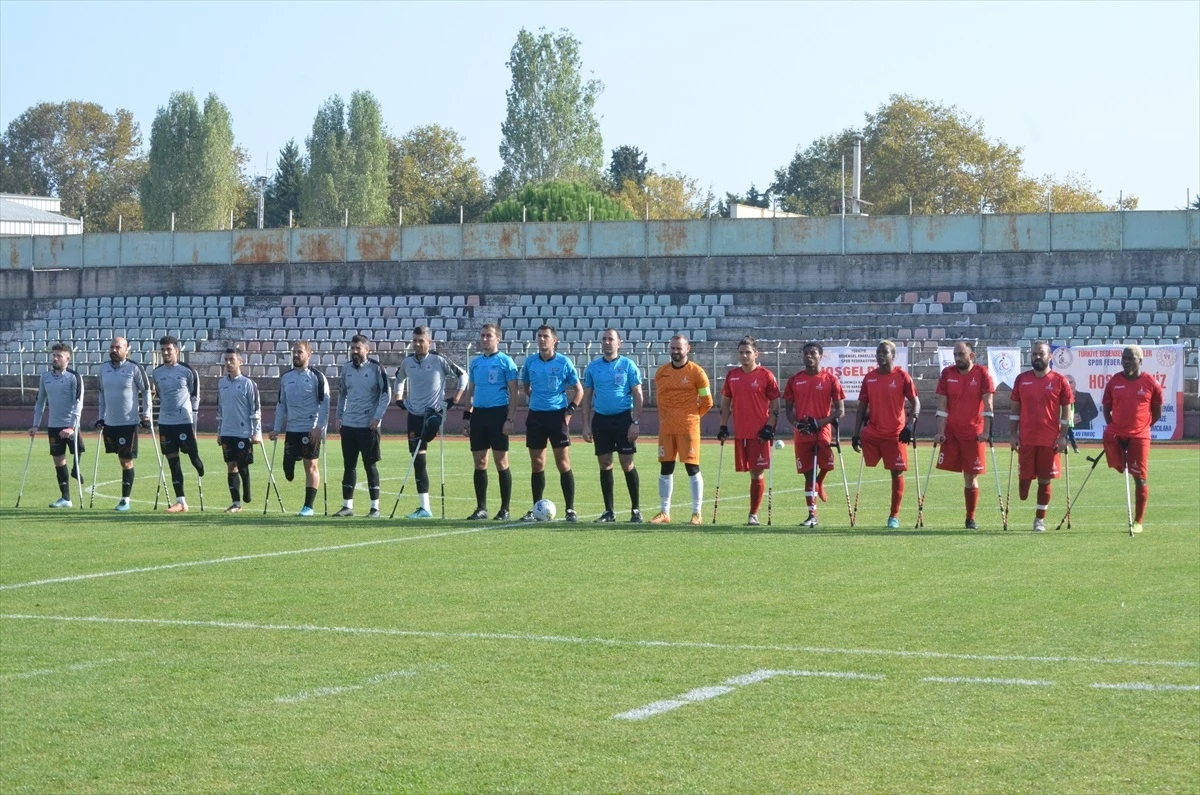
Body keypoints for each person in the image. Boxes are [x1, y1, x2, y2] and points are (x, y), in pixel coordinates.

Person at [393, 325, 465, 519]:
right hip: (414, 414)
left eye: (421, 341)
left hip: (433, 412)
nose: (417, 344)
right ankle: (425, 507)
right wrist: (399, 398)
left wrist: (456, 398)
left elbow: (462, 375)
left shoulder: (438, 360)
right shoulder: (408, 362)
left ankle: (431, 430)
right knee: (418, 459)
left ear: (429, 342)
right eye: (414, 341)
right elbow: (398, 378)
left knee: (430, 428)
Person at [852, 340, 920, 529]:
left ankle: (894, 516)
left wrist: (910, 424)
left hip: (895, 433)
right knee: (866, 440)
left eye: (885, 352)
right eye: (878, 352)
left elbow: (916, 403)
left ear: (893, 356)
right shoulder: (869, 378)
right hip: (873, 432)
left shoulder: (902, 376)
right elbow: (862, 407)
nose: (880, 355)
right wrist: (856, 434)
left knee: (896, 472)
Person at [519, 324, 583, 522]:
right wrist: (537, 400)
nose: (541, 339)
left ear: (554, 340)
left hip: (557, 417)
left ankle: (570, 509)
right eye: (539, 336)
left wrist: (569, 412)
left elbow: (579, 390)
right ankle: (536, 507)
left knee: (562, 463)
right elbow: (526, 387)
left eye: (546, 336)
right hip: (536, 417)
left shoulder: (564, 362)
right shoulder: (530, 363)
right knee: (537, 464)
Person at [580, 328, 644, 523]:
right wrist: (585, 424)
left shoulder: (628, 365)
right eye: (604, 339)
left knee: (627, 464)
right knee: (605, 464)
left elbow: (638, 395)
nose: (607, 342)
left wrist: (635, 422)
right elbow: (587, 396)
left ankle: (635, 510)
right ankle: (609, 511)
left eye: (611, 339)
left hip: (623, 420)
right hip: (601, 420)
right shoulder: (593, 367)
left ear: (619, 343)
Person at [1008, 340, 1073, 532]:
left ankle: (1039, 520)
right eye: (1035, 354)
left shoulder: (1060, 381)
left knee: (1045, 480)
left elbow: (1066, 412)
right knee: (1024, 487)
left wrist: (1062, 437)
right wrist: (1013, 434)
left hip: (1049, 440)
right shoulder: (1022, 379)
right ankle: (1025, 484)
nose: (1037, 357)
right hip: (1026, 439)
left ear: (1050, 356)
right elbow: (1014, 410)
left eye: (1041, 354)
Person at [651, 334, 714, 525]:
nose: (675, 352)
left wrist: (692, 418)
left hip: (688, 428)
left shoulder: (697, 373)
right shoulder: (661, 372)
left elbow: (707, 402)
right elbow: (660, 400)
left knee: (692, 468)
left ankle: (697, 513)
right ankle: (664, 512)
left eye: (679, 348)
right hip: (667, 428)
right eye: (672, 348)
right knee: (665, 468)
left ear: (688, 349)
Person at [718, 336, 781, 526]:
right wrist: (723, 426)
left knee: (756, 473)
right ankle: (752, 513)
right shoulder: (732, 375)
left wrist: (769, 427)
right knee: (747, 472)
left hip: (759, 434)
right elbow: (726, 402)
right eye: (741, 352)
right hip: (740, 433)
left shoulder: (766, 375)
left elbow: (776, 404)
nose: (744, 356)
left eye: (748, 352)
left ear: (756, 354)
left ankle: (753, 514)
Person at [933, 341, 996, 530]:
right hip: (952, 433)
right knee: (959, 475)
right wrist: (939, 431)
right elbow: (942, 406)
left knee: (971, 478)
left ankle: (970, 517)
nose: (957, 358)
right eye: (955, 355)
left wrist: (986, 431)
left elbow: (988, 405)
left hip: (973, 434)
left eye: (961, 354)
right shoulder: (947, 374)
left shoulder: (982, 374)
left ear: (971, 356)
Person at [782, 342, 846, 527]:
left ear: (821, 356)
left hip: (822, 431)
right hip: (802, 433)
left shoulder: (830, 379)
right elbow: (788, 409)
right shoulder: (795, 380)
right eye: (805, 353)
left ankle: (820, 482)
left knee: (827, 464)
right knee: (808, 475)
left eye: (812, 353)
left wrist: (819, 423)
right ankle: (812, 515)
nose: (808, 356)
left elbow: (839, 410)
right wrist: (796, 423)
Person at [1100, 345, 1162, 534]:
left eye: (1131, 358)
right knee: (1107, 435)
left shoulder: (1151, 383)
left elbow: (1157, 413)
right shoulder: (1114, 381)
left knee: (1140, 479)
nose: (1126, 362)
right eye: (1124, 358)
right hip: (1118, 433)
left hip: (1140, 435)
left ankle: (1139, 521)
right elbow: (1106, 407)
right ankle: (1121, 464)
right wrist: (1114, 426)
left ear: (1140, 361)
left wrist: (1142, 429)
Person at [461, 324, 519, 520]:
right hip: (479, 415)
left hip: (498, 414)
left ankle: (505, 509)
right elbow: (470, 392)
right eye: (483, 336)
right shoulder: (476, 363)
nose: (485, 339)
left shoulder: (506, 362)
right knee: (480, 462)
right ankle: (481, 508)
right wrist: (467, 416)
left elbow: (514, 393)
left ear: (498, 339)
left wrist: (510, 419)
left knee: (501, 461)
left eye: (489, 336)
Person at [333, 334, 391, 519]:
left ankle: (375, 507)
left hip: (368, 426)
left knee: (370, 465)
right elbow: (342, 393)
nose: (354, 351)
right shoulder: (346, 369)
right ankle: (347, 506)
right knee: (349, 465)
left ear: (368, 349)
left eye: (358, 348)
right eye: (352, 348)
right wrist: (339, 416)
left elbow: (385, 395)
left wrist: (377, 417)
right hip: (349, 424)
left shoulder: (376, 369)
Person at [270, 340, 329, 517]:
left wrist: (319, 428)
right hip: (292, 429)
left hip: (310, 428)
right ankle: (291, 461)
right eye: (294, 352)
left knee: (311, 466)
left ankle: (308, 506)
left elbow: (325, 404)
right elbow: (281, 405)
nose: (296, 355)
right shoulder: (286, 378)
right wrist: (276, 428)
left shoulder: (317, 377)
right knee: (288, 468)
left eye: (300, 352)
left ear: (309, 355)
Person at [96, 336, 152, 511]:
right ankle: (125, 498)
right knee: (120, 459)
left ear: (127, 349)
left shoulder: (134, 368)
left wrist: (147, 415)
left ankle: (125, 500)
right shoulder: (103, 369)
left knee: (126, 461)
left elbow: (146, 391)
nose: (114, 350)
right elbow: (101, 395)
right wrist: (101, 417)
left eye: (118, 347)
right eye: (112, 347)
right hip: (110, 423)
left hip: (129, 423)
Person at [150, 335, 204, 514]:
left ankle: (197, 460)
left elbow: (195, 395)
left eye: (169, 349)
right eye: (163, 350)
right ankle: (181, 501)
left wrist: (193, 420)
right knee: (173, 461)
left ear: (176, 350)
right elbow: (158, 393)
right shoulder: (157, 373)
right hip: (165, 422)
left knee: (192, 456)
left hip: (184, 421)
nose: (165, 353)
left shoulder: (188, 371)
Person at [28, 342, 85, 508]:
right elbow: (40, 402)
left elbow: (78, 403)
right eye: (53, 355)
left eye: (58, 355)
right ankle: (66, 498)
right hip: (54, 425)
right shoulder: (45, 377)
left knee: (78, 449)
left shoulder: (74, 376)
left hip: (70, 424)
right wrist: (35, 425)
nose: (54, 358)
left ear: (67, 358)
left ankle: (76, 468)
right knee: (58, 460)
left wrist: (72, 427)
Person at [216, 347, 261, 513]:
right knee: (231, 466)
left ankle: (247, 493)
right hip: (227, 431)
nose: (228, 363)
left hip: (243, 432)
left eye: (231, 360)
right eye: (226, 359)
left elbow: (255, 409)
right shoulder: (221, 383)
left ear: (240, 362)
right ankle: (236, 503)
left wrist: (256, 432)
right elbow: (219, 409)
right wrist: (219, 431)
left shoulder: (248, 384)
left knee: (242, 465)